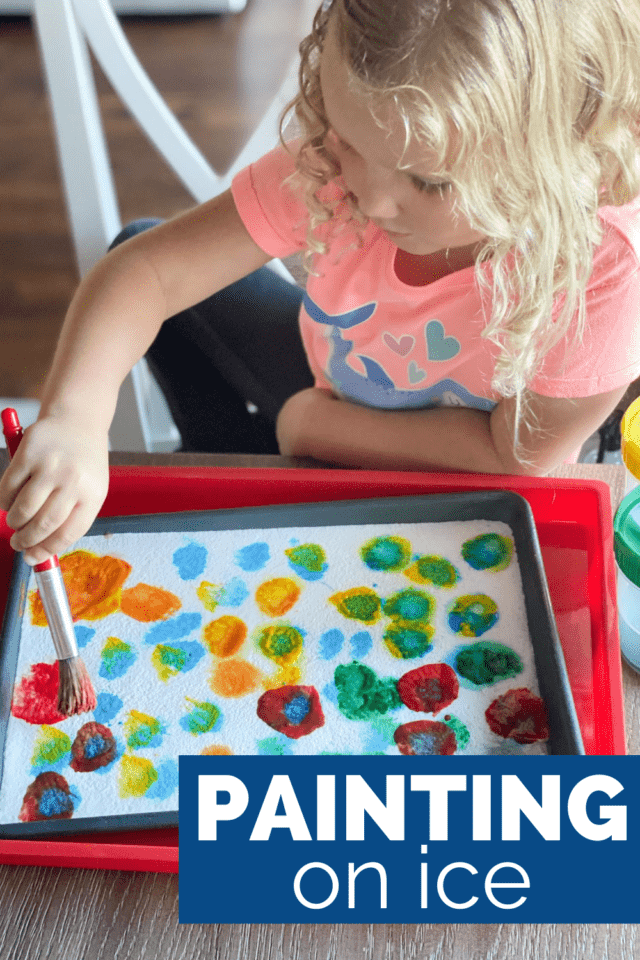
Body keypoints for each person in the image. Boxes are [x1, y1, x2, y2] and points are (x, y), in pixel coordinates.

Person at [1, 0, 640, 566]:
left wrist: (308, 429)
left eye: (431, 183)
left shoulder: (606, 264)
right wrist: (75, 419)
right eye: (348, 138)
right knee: (138, 249)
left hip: (467, 477)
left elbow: (512, 454)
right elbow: (147, 269)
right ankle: (228, 460)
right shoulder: (341, 162)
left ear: (555, 163)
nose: (373, 199)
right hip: (336, 380)